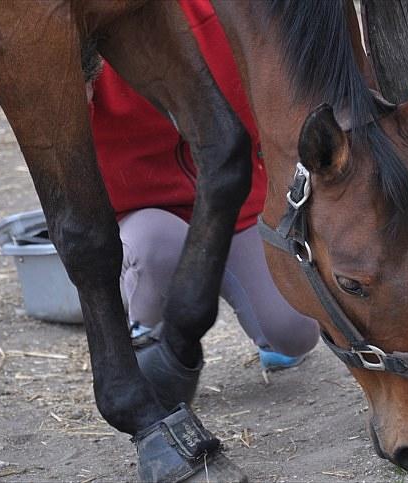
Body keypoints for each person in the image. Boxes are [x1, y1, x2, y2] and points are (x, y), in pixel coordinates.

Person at [87, 2, 319, 372]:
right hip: (146, 209)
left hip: (238, 205)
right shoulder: (94, 28)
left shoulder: (214, 13)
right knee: (157, 251)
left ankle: (267, 330)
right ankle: (152, 344)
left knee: (295, 330)